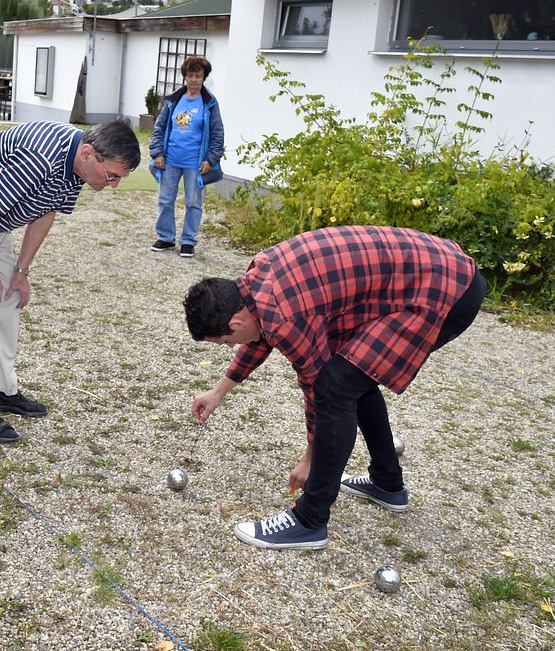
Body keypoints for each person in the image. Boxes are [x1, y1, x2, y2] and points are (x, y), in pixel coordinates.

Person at [184, 225, 486, 549]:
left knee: (335, 387)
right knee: (354, 373)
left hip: (444, 293)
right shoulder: (255, 281)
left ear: (235, 323)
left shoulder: (284, 316)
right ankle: (387, 483)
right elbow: (261, 336)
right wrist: (219, 391)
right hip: (435, 275)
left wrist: (310, 457)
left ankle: (309, 522)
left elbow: (316, 390)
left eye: (227, 341)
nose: (231, 346)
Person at [0, 120, 141, 443]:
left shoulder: (76, 166)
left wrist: (20, 272)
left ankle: (2, 390)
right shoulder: (39, 159)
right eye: (111, 176)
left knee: (7, 301)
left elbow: (46, 211)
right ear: (88, 153)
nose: (113, 185)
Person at [149, 56, 225, 259]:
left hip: (195, 164)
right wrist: (157, 153)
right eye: (190, 75)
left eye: (198, 76)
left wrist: (210, 159)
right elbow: (160, 128)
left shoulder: (209, 104)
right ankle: (165, 238)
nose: (193, 80)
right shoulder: (173, 100)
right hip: (170, 160)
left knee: (193, 203)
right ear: (184, 77)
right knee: (165, 200)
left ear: (204, 78)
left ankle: (188, 241)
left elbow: (218, 135)